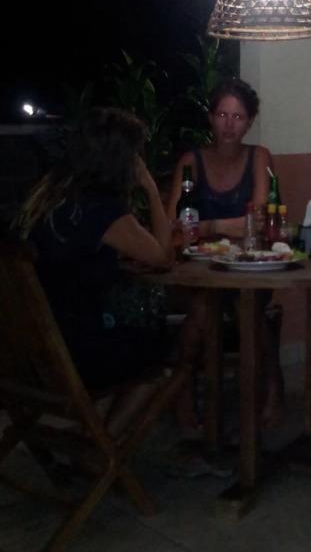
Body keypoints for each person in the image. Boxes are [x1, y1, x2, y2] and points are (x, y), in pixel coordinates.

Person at [15, 107, 175, 439]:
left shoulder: (52, 196)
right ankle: (100, 444)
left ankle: (92, 435)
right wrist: (149, 188)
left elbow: (74, 257)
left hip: (31, 354)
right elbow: (163, 257)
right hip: (73, 357)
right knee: (164, 346)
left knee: (130, 333)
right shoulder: (102, 210)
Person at [166, 77, 285, 427]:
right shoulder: (192, 161)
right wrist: (220, 226)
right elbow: (175, 226)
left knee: (248, 307)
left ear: (249, 122)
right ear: (211, 118)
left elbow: (257, 221)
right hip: (199, 270)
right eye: (221, 115)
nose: (229, 124)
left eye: (237, 116)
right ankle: (185, 388)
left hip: (248, 265)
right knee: (203, 307)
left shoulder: (259, 157)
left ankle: (271, 385)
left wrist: (204, 225)